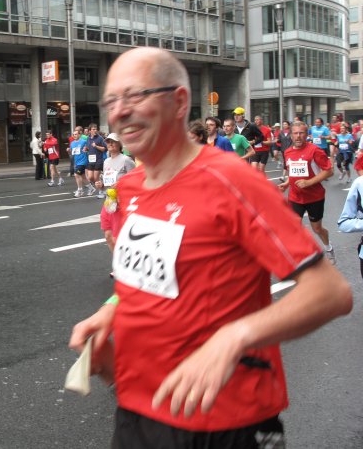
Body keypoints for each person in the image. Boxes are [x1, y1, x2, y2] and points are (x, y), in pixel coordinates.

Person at [69, 47, 352, 449]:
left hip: (224, 421)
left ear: (179, 101)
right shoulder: (130, 187)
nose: (120, 112)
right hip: (137, 412)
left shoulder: (232, 181)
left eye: (135, 95)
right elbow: (150, 277)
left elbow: (330, 292)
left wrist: (234, 336)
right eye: (111, 101)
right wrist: (110, 311)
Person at [278, 121, 336, 262]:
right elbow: (292, 171)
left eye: (301, 133)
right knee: (294, 226)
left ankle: (328, 248)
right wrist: (287, 183)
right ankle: (301, 256)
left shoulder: (315, 150)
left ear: (307, 135)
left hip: (314, 197)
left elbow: (329, 171)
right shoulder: (287, 152)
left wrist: (309, 182)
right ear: (291, 135)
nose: (298, 136)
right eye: (295, 133)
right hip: (295, 197)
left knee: (317, 229)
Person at [84, 124, 107, 198]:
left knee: (96, 177)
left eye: (95, 129)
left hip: (98, 160)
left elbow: (104, 149)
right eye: (93, 129)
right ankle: (101, 187)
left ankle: (101, 191)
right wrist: (86, 149)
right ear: (89, 131)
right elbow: (88, 147)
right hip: (91, 160)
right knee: (90, 177)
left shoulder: (99, 138)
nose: (95, 130)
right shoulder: (88, 138)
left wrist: (96, 146)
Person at [68, 129, 88, 197]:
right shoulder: (72, 143)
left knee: (76, 175)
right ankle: (91, 188)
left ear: (79, 134)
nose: (74, 135)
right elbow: (72, 153)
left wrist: (86, 149)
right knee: (83, 177)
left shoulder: (84, 141)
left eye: (76, 134)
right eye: (73, 134)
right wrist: (68, 150)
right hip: (77, 162)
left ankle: (80, 190)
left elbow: (88, 149)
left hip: (83, 161)